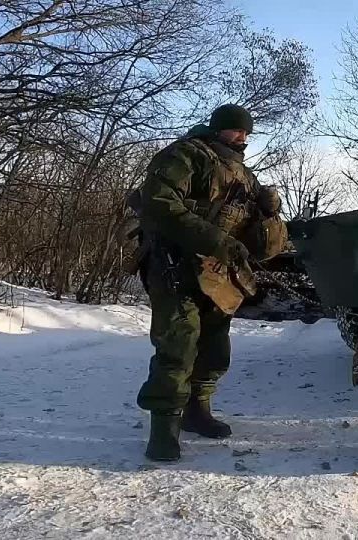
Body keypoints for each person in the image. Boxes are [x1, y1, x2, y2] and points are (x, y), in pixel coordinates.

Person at [130, 104, 287, 461]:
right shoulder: (186, 155)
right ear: (217, 129)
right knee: (178, 346)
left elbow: (264, 248)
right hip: (174, 265)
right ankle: (164, 426)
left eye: (246, 133)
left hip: (218, 276)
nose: (242, 138)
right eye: (235, 131)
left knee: (215, 348)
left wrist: (270, 214)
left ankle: (197, 411)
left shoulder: (244, 176)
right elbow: (159, 202)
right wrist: (214, 239)